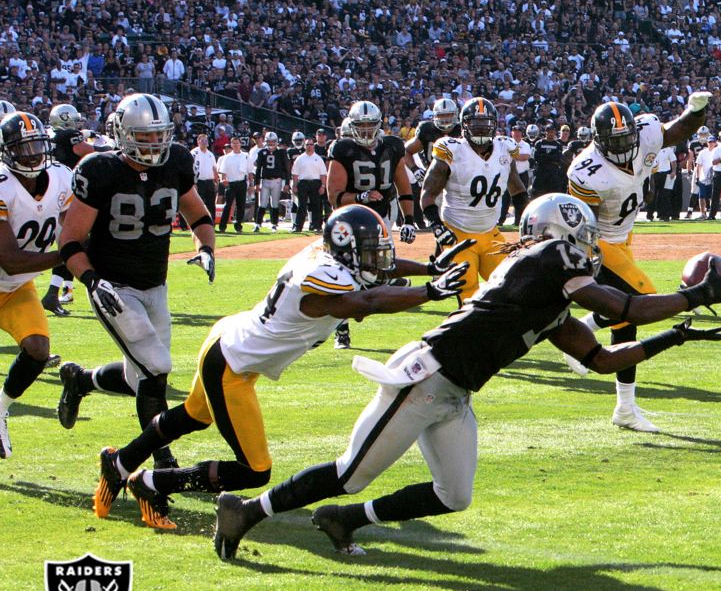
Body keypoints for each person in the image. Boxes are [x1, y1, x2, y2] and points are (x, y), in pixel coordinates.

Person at [211, 194, 721, 560]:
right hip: (426, 377)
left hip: (454, 391)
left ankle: (345, 520)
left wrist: (672, 337)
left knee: (453, 494)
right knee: (351, 471)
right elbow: (626, 302)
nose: (587, 247)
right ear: (563, 236)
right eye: (581, 237)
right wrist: (697, 295)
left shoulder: (547, 290)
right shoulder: (548, 260)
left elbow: (603, 360)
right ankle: (245, 511)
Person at [92, 206, 471, 529]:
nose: (378, 259)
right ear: (345, 251)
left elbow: (373, 273)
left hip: (230, 342)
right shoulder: (324, 282)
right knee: (254, 471)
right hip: (232, 366)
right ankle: (152, 482)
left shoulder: (329, 258)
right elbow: (366, 300)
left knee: (192, 415)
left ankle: (120, 462)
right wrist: (429, 291)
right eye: (369, 252)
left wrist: (426, 268)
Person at [57, 94, 218, 473]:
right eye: (144, 137)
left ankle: (80, 381)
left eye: (158, 135)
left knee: (139, 378)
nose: (154, 144)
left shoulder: (177, 161)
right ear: (123, 134)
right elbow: (69, 240)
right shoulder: (100, 169)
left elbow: (198, 215)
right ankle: (161, 460)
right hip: (113, 287)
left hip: (155, 284)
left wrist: (207, 247)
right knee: (157, 368)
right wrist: (92, 280)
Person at [562, 93, 712, 432]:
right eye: (615, 141)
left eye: (627, 138)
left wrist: (696, 109)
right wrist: (589, 265)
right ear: (598, 141)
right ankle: (623, 404)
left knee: (624, 317)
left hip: (625, 237)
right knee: (640, 302)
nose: (624, 145)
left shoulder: (644, 131)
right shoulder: (586, 171)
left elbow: (679, 130)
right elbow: (583, 226)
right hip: (599, 241)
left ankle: (621, 400)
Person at [0, 113, 74, 458]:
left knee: (38, 348)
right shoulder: (2, 184)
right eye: (22, 148)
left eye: (34, 146)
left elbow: (72, 226)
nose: (30, 154)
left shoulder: (61, 177)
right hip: (13, 273)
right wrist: (69, 254)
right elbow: (11, 259)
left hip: (14, 288)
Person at [326, 100, 417, 350]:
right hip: (349, 217)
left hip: (382, 214)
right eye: (361, 126)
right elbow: (333, 195)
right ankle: (341, 330)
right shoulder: (342, 148)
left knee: (377, 267)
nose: (366, 131)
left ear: (379, 125)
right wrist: (360, 197)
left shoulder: (393, 146)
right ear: (351, 126)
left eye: (370, 125)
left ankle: (384, 280)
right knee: (342, 274)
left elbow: (403, 185)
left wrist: (409, 220)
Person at [421, 97, 529, 302]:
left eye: (485, 123)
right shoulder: (451, 150)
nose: (480, 129)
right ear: (463, 125)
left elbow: (518, 190)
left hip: (491, 234)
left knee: (511, 286)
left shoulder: (504, 148)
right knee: (468, 291)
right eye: (474, 124)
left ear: (495, 125)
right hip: (458, 234)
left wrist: (529, 223)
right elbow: (427, 194)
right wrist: (436, 226)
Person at [43, 103, 94, 315]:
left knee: (70, 242)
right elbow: (88, 152)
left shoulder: (46, 135)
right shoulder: (70, 136)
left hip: (48, 193)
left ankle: (59, 292)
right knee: (75, 242)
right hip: (65, 193)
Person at [404, 98, 462, 229]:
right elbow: (406, 151)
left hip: (459, 178)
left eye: (449, 115)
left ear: (455, 115)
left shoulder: (462, 131)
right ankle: (441, 246)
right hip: (436, 179)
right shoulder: (427, 130)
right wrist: (415, 169)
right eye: (442, 115)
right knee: (441, 218)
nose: (445, 119)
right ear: (435, 116)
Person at [252, 132, 291, 231]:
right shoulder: (262, 152)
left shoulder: (281, 152)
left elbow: (287, 169)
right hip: (265, 180)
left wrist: (287, 183)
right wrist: (256, 183)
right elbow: (258, 169)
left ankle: (274, 224)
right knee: (262, 203)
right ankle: (257, 224)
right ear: (266, 141)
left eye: (273, 141)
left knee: (274, 203)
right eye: (269, 141)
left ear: (276, 141)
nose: (271, 143)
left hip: (277, 180)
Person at [290, 138, 327, 232]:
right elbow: (295, 173)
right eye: (307, 145)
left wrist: (323, 186)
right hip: (303, 183)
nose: (309, 146)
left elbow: (323, 174)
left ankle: (317, 226)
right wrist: (294, 186)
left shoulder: (318, 159)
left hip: (315, 183)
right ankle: (298, 227)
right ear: (304, 146)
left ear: (313, 146)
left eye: (311, 145)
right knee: (301, 205)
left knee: (316, 205)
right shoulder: (300, 158)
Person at [216, 137, 251, 233]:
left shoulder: (245, 156)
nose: (235, 145)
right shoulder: (227, 157)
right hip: (231, 183)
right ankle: (222, 226)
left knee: (241, 205)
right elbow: (223, 170)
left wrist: (251, 184)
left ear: (240, 144)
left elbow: (250, 171)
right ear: (231, 145)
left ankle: (238, 225)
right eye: (233, 143)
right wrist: (223, 179)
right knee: (228, 205)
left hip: (242, 182)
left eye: (237, 143)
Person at [528, 122, 566, 199]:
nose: (551, 134)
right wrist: (551, 157)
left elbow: (558, 158)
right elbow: (537, 157)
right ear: (546, 132)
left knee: (554, 193)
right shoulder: (539, 143)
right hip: (541, 171)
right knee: (537, 193)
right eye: (549, 132)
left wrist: (545, 156)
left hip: (553, 172)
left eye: (553, 132)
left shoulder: (558, 145)